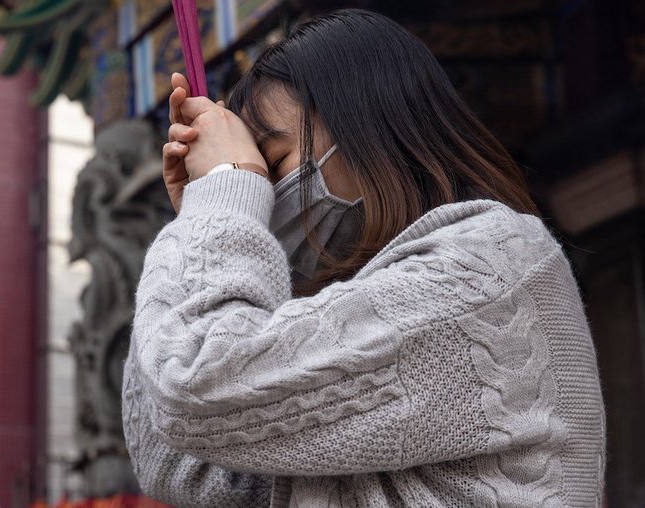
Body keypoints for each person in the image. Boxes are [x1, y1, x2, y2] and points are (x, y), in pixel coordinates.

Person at [122, 8, 606, 508]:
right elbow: (181, 466)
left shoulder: (490, 264)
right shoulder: (364, 304)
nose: (262, 192)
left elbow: (195, 386)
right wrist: (198, 220)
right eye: (254, 176)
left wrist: (223, 197)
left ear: (369, 127)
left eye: (272, 163)